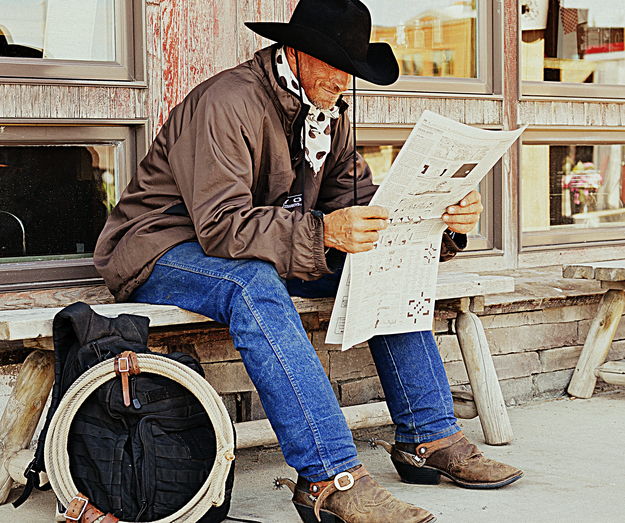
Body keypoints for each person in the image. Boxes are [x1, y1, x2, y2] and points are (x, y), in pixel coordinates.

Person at [94, 1, 522, 521]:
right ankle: (329, 478)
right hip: (161, 248)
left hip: (259, 245)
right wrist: (324, 231)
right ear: (295, 51)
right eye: (334, 64)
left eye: (352, 69)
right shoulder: (227, 102)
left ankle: (428, 438)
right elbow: (222, 225)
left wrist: (442, 222)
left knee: (373, 262)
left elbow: (358, 206)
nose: (343, 80)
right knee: (251, 285)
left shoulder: (328, 111)